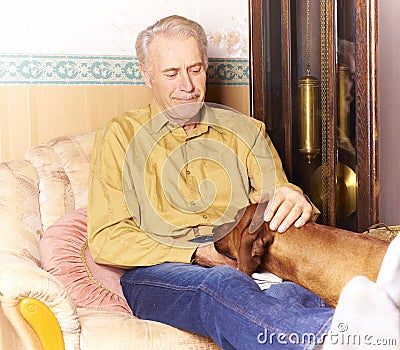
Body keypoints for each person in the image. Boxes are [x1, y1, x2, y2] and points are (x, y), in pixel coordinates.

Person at [88, 15, 399, 349]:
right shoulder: (120, 135)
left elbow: (276, 203)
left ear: (206, 67)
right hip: (159, 274)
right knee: (219, 283)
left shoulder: (246, 131)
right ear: (146, 74)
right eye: (171, 73)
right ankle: (338, 340)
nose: (187, 85)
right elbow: (107, 238)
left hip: (250, 263)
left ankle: (369, 321)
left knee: (291, 290)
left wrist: (292, 198)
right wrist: (197, 251)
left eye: (195, 69)